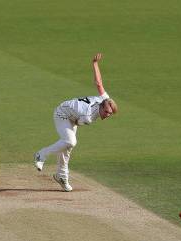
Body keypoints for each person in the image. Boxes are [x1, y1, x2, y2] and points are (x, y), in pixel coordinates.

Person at [34, 53, 118, 192]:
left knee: (66, 147)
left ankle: (62, 176)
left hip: (73, 115)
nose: (107, 115)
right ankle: (41, 154)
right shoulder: (88, 116)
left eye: (110, 114)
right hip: (62, 114)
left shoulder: (105, 99)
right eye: (106, 112)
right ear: (102, 106)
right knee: (70, 142)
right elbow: (78, 122)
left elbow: (98, 83)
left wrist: (95, 64)